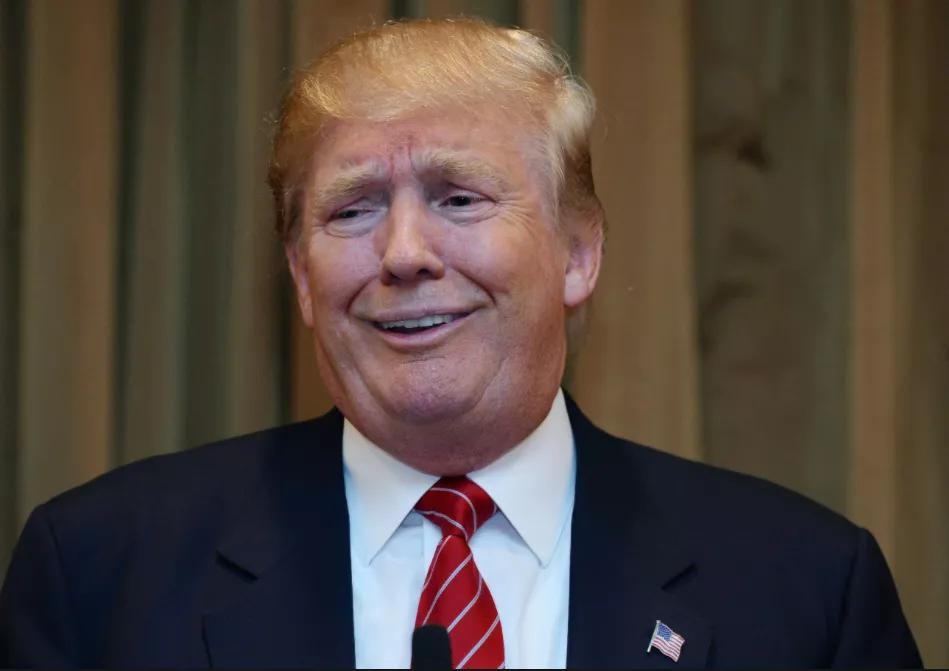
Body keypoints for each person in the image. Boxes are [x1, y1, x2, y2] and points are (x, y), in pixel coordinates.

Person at [0, 17, 921, 669]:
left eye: (458, 197)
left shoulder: (805, 589)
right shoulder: (98, 575)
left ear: (578, 251)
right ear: (300, 277)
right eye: (352, 209)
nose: (403, 252)